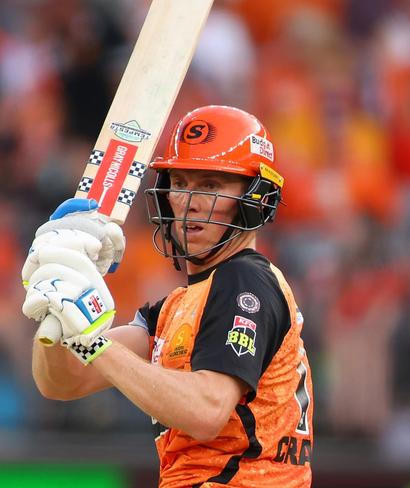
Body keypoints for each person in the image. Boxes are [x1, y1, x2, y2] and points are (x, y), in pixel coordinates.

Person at [23, 105, 314, 487]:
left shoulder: (245, 281)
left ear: (254, 197)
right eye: (180, 182)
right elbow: (62, 382)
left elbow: (207, 410)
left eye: (211, 185)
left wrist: (92, 343)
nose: (190, 200)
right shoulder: (176, 307)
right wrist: (59, 310)